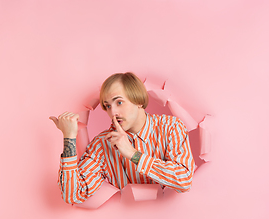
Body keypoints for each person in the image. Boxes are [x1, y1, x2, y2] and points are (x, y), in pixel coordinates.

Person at [49, 72, 195, 204]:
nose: (113, 112)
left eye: (119, 102)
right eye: (107, 106)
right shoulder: (102, 144)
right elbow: (73, 195)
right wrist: (69, 138)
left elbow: (184, 179)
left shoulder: (170, 127)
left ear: (138, 100)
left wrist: (133, 155)